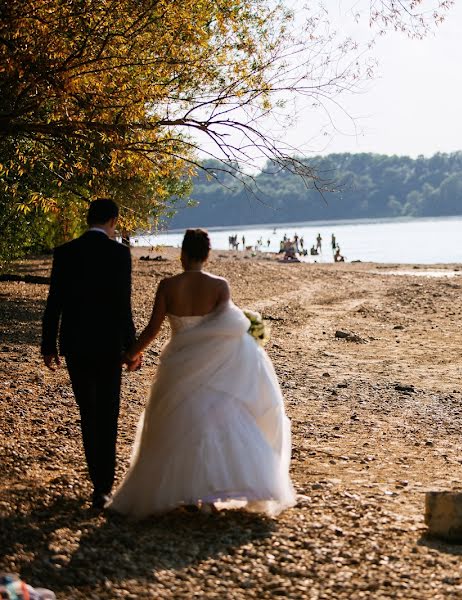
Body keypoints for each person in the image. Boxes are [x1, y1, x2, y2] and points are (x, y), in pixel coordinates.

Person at [108, 229, 295, 518]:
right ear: (207, 255)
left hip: (179, 363)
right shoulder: (220, 286)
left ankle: (182, 491)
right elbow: (229, 329)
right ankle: (210, 493)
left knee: (176, 426)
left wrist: (131, 353)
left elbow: (153, 329)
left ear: (183, 252)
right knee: (213, 426)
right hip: (214, 366)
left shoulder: (168, 285)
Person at [41, 198, 139, 510]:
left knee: (89, 412)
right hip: (109, 344)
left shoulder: (66, 252)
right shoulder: (119, 254)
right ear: (114, 220)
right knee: (108, 414)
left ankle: (97, 476)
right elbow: (124, 304)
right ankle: (102, 487)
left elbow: (54, 302)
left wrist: (49, 346)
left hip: (76, 343)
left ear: (88, 219)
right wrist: (132, 347)